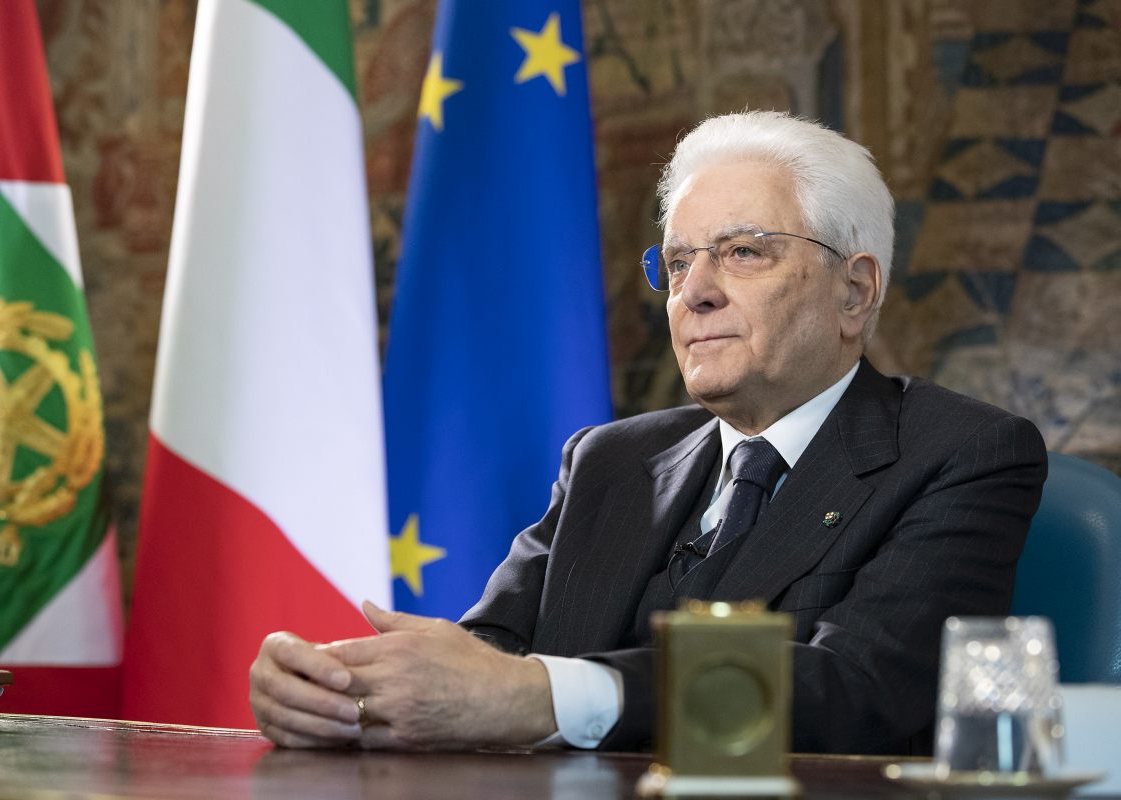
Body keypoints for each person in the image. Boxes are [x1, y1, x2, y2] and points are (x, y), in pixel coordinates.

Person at [248, 110, 1047, 754]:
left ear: (855, 290)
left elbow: (857, 692)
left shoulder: (963, 454)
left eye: (742, 252)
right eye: (678, 262)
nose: (693, 292)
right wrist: (346, 691)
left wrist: (543, 697)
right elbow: (490, 656)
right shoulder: (609, 459)